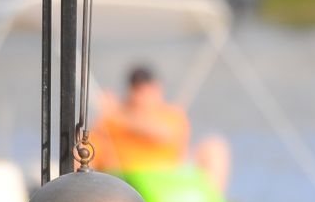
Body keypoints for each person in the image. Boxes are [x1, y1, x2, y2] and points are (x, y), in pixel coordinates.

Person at [92, 64, 231, 194]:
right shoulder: (111, 118)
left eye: (149, 89)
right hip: (129, 180)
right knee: (82, 145)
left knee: (214, 147)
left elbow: (161, 133)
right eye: (139, 90)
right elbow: (94, 143)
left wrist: (117, 113)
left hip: (167, 178)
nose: (144, 96)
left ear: (158, 89)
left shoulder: (170, 115)